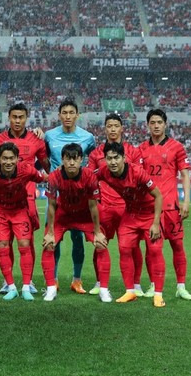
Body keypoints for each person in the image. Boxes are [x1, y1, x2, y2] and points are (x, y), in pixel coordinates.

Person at [96, 142, 165, 307]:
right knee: (124, 249)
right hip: (131, 214)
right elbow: (87, 176)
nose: (113, 162)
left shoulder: (137, 173)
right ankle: (130, 291)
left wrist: (156, 223)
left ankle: (158, 294)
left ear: (124, 158)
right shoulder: (104, 172)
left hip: (149, 214)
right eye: (109, 158)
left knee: (155, 250)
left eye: (116, 158)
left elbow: (158, 196)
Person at [0, 103, 50, 294]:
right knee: (4, 240)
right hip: (3, 197)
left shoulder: (36, 139)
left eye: (21, 117)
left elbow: (46, 165)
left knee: (27, 240)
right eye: (14, 117)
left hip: (28, 196)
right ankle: (7, 281)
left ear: (27, 117)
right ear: (9, 117)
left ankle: (29, 280)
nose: (17, 121)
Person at [138, 109, 191, 300]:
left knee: (177, 245)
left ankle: (181, 286)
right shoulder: (141, 149)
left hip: (171, 207)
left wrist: (186, 201)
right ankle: (154, 285)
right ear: (147, 125)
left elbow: (185, 174)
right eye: (152, 122)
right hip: (150, 209)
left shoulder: (176, 147)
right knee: (152, 248)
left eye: (159, 122)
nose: (156, 126)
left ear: (165, 124)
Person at [87, 113, 145, 297]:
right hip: (104, 206)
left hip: (127, 208)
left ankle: (136, 285)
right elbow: (89, 179)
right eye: (109, 126)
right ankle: (99, 282)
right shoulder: (96, 153)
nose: (112, 129)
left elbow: (139, 178)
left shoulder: (133, 152)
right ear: (105, 129)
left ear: (122, 128)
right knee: (100, 244)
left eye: (115, 126)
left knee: (132, 246)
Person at [42, 143, 110, 302]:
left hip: (84, 215)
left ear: (81, 160)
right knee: (49, 244)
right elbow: (51, 206)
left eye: (75, 159)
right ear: (62, 160)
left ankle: (104, 290)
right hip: (63, 215)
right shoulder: (54, 176)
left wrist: (98, 232)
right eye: (68, 159)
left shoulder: (89, 176)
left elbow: (93, 206)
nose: (71, 163)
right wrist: (50, 233)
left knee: (101, 245)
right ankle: (51, 288)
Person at [44, 99, 95, 294]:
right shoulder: (49, 136)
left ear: (77, 115)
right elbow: (44, 159)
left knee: (78, 237)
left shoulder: (88, 137)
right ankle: (54, 279)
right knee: (53, 238)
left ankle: (77, 279)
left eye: (71, 112)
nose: (67, 116)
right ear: (59, 115)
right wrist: (52, 175)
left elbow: (92, 159)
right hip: (56, 196)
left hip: (78, 197)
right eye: (63, 112)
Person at [0, 142, 47, 301]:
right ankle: (11, 287)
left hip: (19, 210)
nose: (8, 162)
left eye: (12, 158)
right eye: (4, 158)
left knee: (24, 245)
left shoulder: (25, 170)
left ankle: (26, 286)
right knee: (3, 246)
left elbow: (42, 178)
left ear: (18, 159)